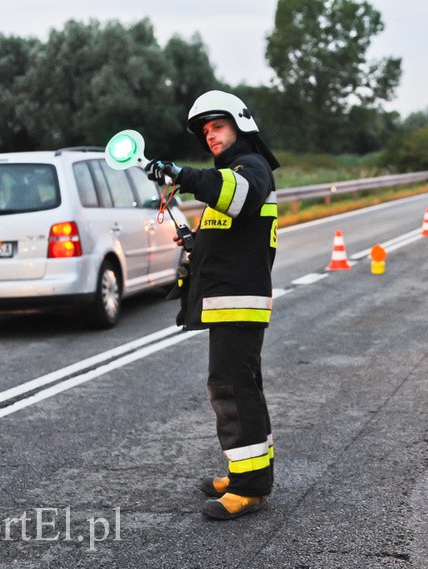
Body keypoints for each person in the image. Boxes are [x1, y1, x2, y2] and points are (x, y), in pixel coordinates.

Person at [146, 90, 279, 520]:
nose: (211, 137)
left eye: (217, 127)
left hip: (239, 303)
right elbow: (232, 232)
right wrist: (195, 243)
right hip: (230, 301)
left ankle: (249, 487)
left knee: (232, 390)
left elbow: (236, 196)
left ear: (241, 126)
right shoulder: (232, 174)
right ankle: (248, 470)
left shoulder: (250, 169)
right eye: (205, 132)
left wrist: (180, 173)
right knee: (241, 388)